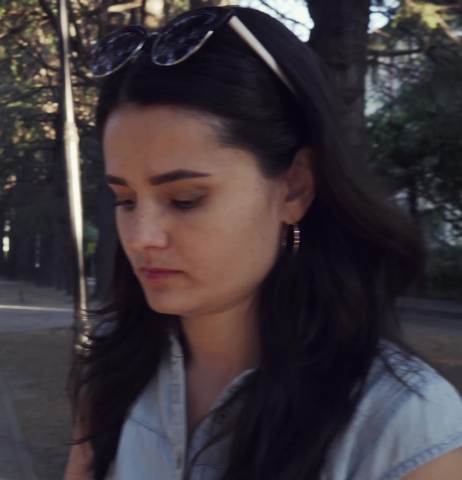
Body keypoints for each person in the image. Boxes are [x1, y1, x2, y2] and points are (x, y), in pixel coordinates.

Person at [65, 7, 462, 480]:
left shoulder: (407, 429)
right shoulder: (114, 370)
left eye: (186, 199)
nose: (141, 237)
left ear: (294, 187)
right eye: (125, 199)